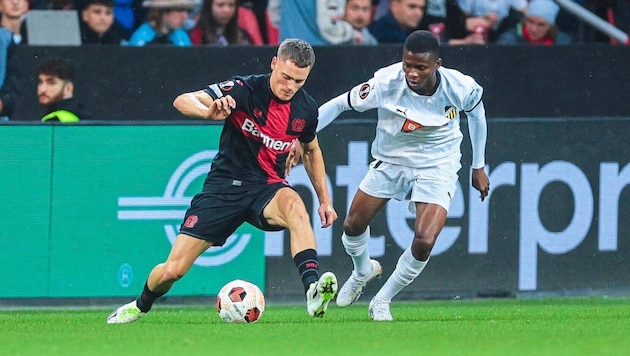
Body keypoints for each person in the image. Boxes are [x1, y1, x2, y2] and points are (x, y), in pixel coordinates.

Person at [106, 38, 339, 324]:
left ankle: (312, 289)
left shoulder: (306, 109)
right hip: (223, 190)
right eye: (286, 77)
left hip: (266, 188)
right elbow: (182, 100)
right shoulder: (243, 90)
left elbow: (312, 149)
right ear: (274, 64)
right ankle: (140, 305)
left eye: (299, 81)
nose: (290, 86)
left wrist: (325, 200)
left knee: (295, 206)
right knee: (173, 270)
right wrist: (207, 110)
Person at [316, 30, 490, 321]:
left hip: (438, 163)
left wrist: (479, 165)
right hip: (391, 159)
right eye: (407, 64)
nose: (411, 72)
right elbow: (339, 104)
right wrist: (301, 136)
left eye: (420, 67)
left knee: (424, 239)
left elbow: (477, 115)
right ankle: (362, 271)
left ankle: (382, 299)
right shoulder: (385, 82)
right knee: (353, 224)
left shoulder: (461, 87)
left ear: (437, 64)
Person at [495, 0, 571, 45]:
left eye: (541, 25)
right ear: (525, 21)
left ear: (550, 26)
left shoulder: (561, 42)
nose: (534, 29)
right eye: (530, 22)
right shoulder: (510, 39)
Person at [279, 0, 354, 45]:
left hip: (286, 50)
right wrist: (349, 32)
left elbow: (275, 11)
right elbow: (326, 26)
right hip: (317, 53)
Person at [128, 0, 194, 46]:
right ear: (163, 12)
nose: (185, 16)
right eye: (179, 10)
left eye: (187, 11)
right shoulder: (141, 38)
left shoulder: (181, 35)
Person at [188, 0, 254, 45]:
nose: (226, 10)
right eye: (220, 5)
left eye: (231, 5)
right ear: (209, 7)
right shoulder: (198, 34)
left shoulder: (243, 35)